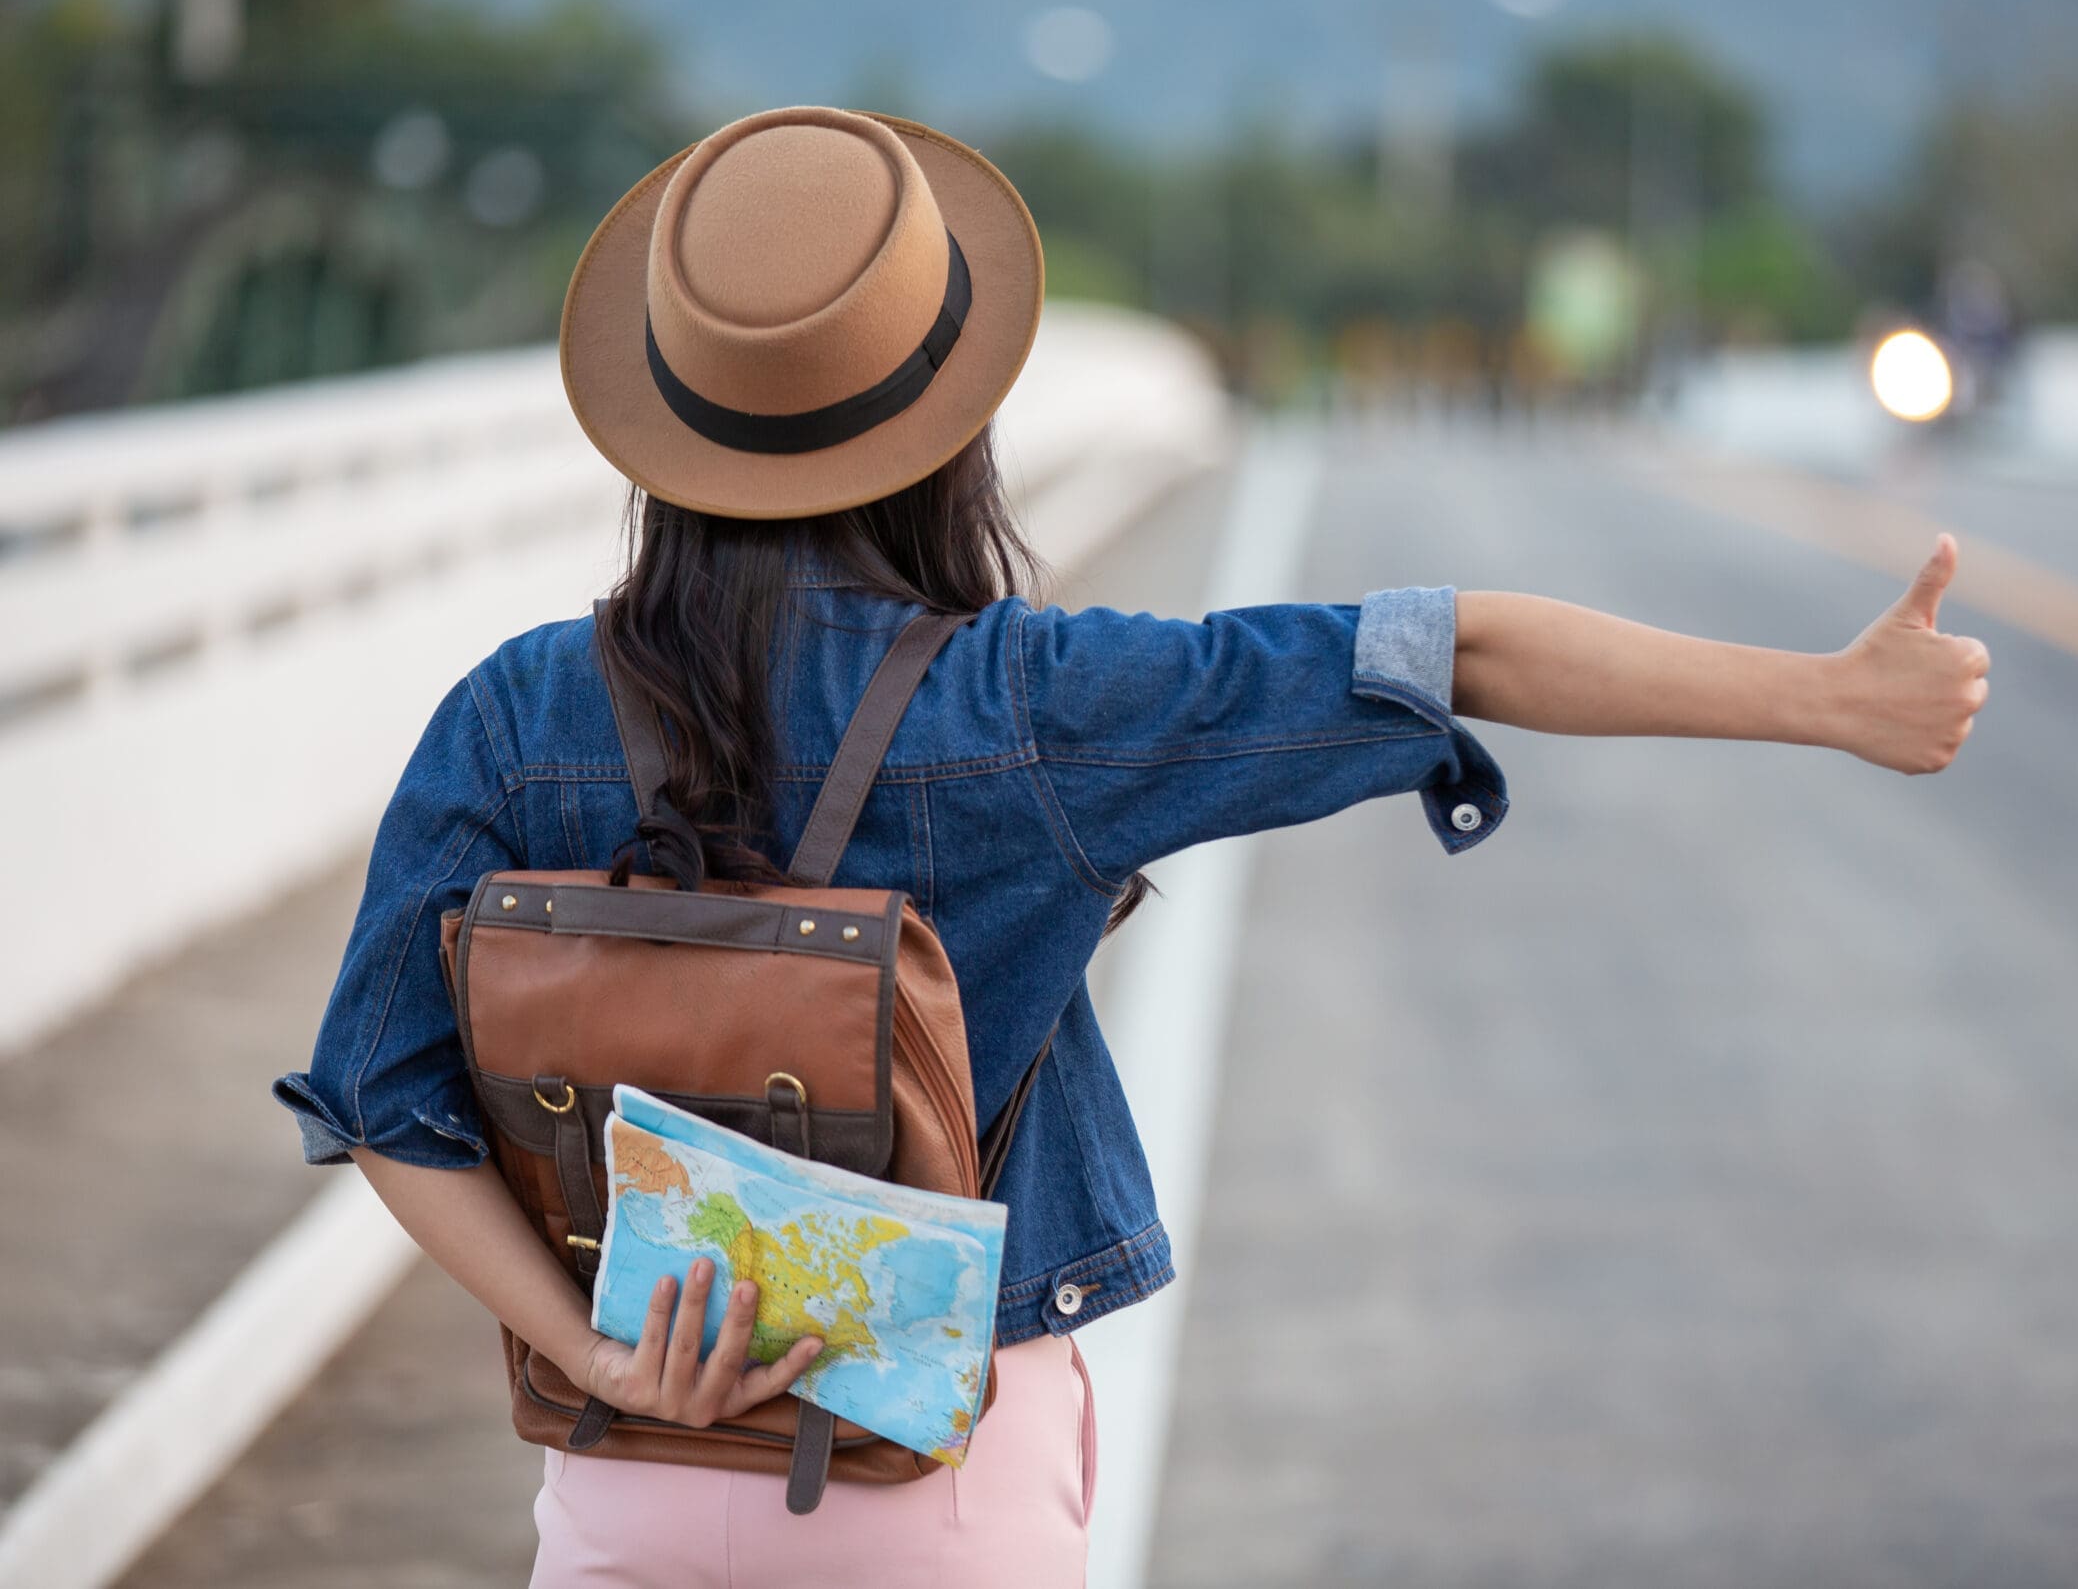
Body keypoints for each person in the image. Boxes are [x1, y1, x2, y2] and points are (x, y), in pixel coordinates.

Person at [271, 107, 1990, 1587]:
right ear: (948, 421)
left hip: (626, 1487)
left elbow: (382, 1093)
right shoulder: (1035, 703)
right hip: (930, 1472)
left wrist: (599, 1358)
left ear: (671, 416)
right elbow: (1445, 650)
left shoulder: (509, 712)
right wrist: (1828, 697)